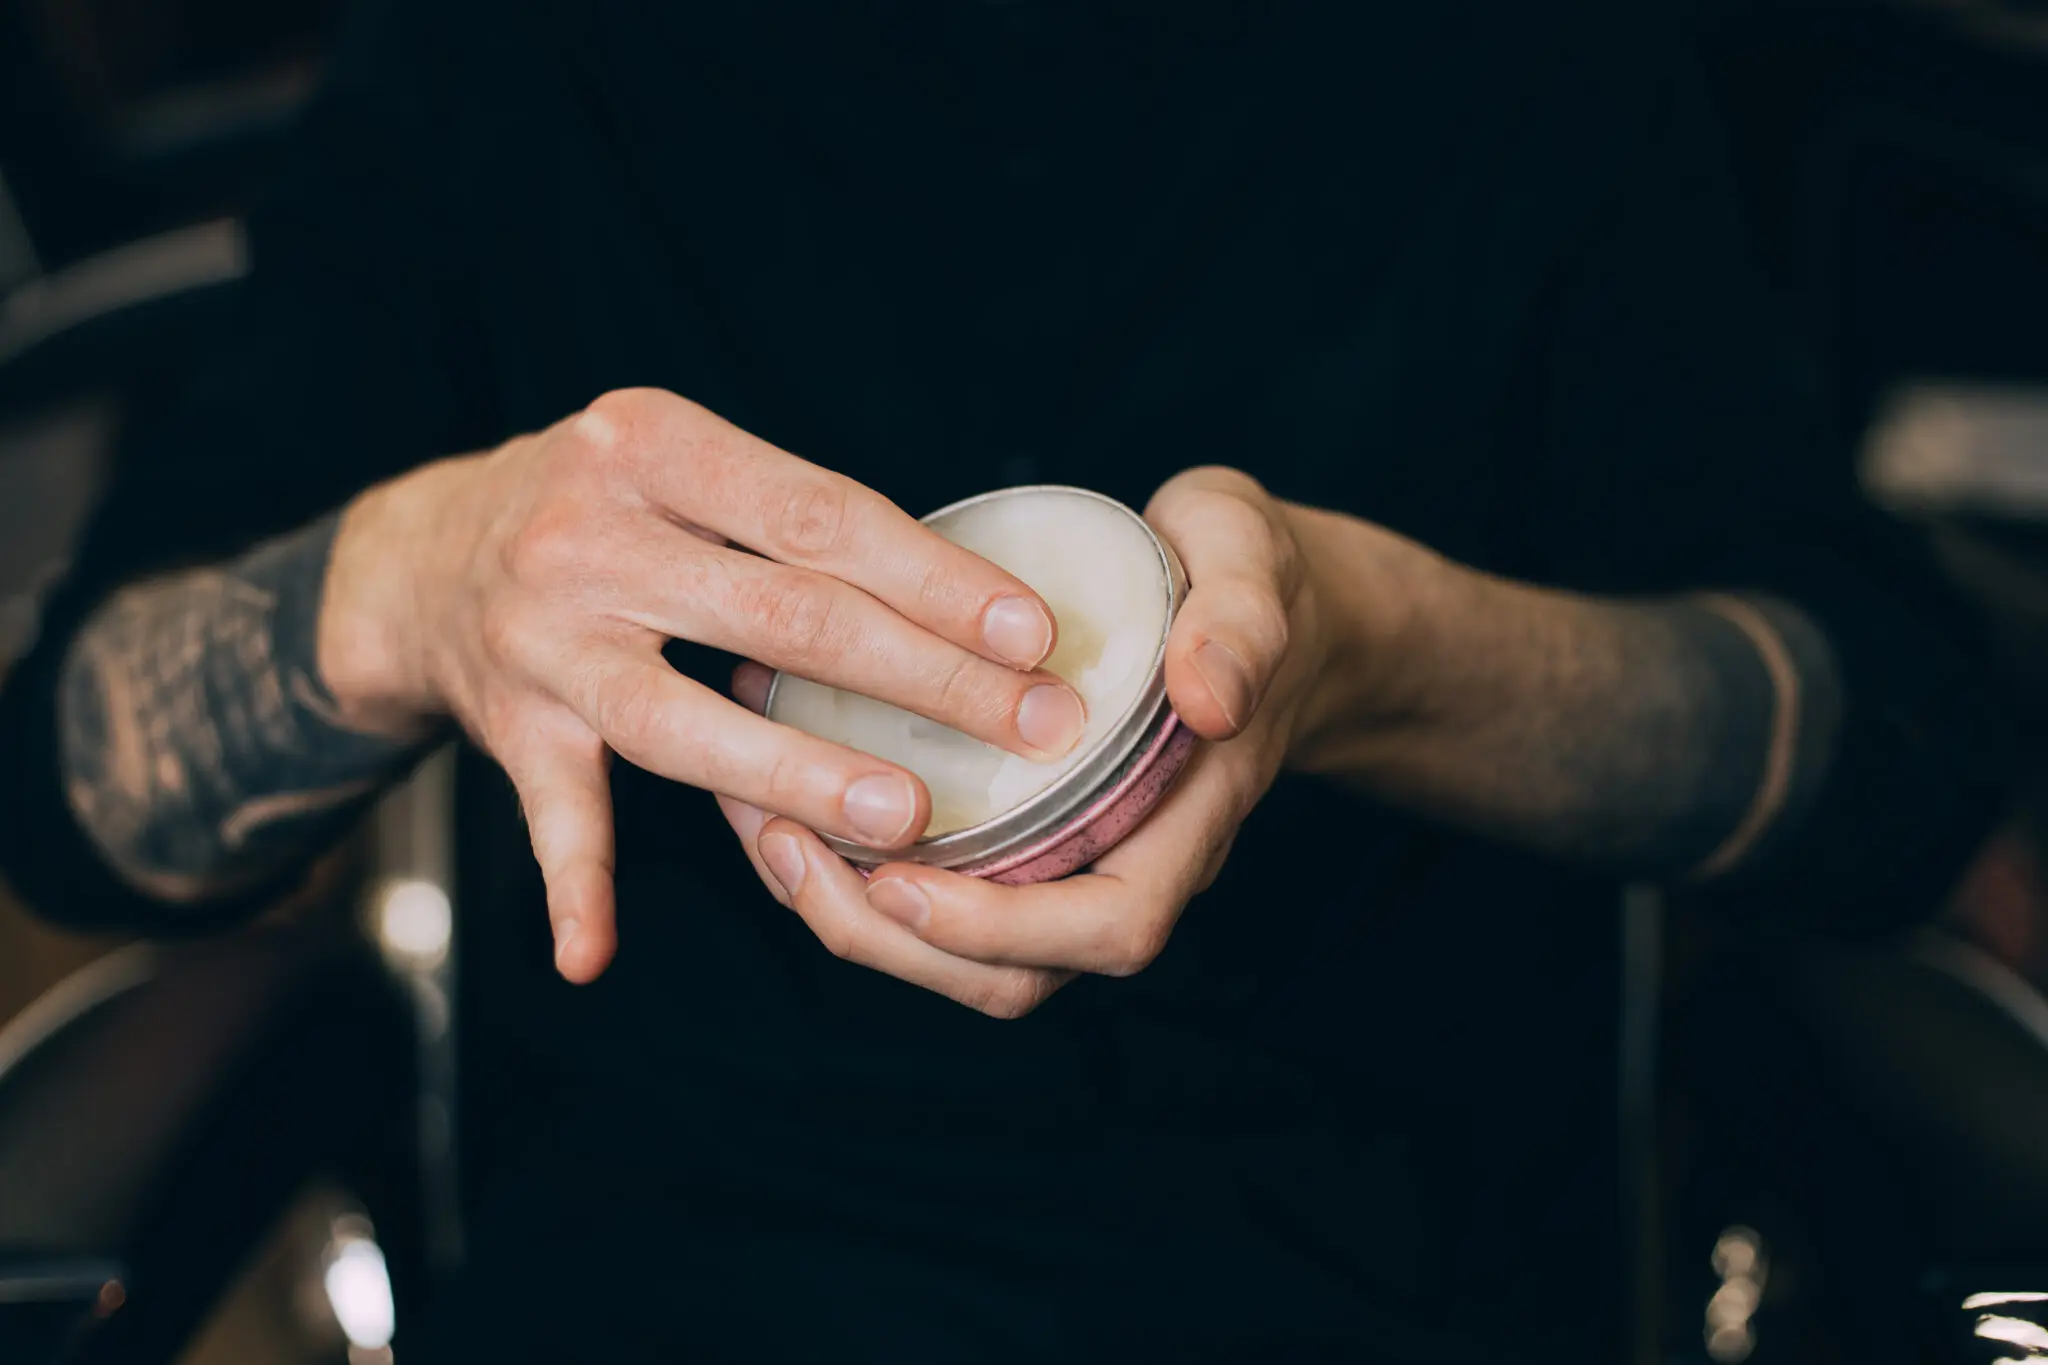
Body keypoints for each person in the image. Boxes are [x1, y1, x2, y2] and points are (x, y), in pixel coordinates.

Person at [0, 0, 2010, 1358]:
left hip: (1375, 1298)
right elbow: (79, 796)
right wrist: (404, 584)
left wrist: (1377, 649)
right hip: (670, 1294)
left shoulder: (1510, 57)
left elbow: (1889, 760)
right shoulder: (512, 60)